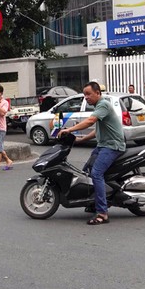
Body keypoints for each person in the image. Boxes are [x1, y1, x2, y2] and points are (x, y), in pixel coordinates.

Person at [57, 81, 125, 225]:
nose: (86, 97)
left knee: (96, 174)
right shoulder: (99, 107)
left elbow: (90, 121)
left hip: (112, 146)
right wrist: (82, 139)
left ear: (98, 93)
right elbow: (98, 130)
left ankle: (102, 212)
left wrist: (69, 130)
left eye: (88, 94)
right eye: (84, 95)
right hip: (103, 145)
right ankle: (93, 201)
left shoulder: (103, 105)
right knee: (85, 172)